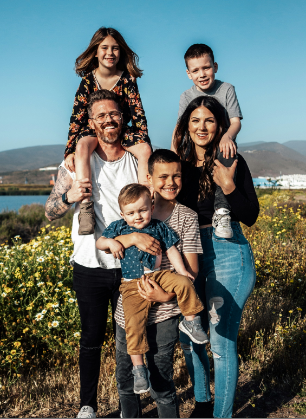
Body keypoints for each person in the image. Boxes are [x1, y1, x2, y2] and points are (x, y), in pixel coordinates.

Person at [45, 90, 168, 419]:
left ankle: (133, 406)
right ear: (91, 122)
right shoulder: (75, 164)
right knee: (90, 339)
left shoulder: (137, 162)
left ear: (123, 118)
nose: (108, 120)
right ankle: (88, 405)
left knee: (134, 336)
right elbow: (49, 211)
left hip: (132, 267)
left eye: (113, 114)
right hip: (90, 265)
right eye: (100, 115)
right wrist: (69, 196)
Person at [173, 95, 259, 418]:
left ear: (220, 125)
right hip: (188, 250)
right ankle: (202, 402)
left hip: (228, 251)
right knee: (190, 334)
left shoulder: (231, 160)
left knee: (221, 342)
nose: (202, 127)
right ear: (186, 126)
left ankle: (222, 415)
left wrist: (229, 186)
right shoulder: (178, 166)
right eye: (195, 120)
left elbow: (250, 214)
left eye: (209, 120)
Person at [111, 149, 204, 418]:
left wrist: (164, 296)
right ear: (150, 178)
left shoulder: (187, 217)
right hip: (128, 311)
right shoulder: (134, 209)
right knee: (125, 380)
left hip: (165, 312)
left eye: (177, 176)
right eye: (163, 176)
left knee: (161, 383)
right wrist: (133, 239)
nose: (170, 182)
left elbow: (191, 270)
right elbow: (108, 242)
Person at [96, 183, 207, 395]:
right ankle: (139, 369)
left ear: (151, 207)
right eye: (131, 213)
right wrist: (112, 244)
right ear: (122, 214)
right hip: (132, 284)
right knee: (133, 324)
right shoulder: (119, 228)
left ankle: (191, 322)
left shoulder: (158, 227)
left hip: (159, 275)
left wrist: (182, 271)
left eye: (142, 210)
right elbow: (100, 242)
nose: (137, 216)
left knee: (185, 283)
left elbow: (171, 250)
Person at [64, 27, 152, 236]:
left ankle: (147, 199)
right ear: (95, 52)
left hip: (122, 129)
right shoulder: (87, 81)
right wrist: (69, 151)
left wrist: (143, 141)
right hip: (92, 130)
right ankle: (86, 207)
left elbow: (138, 114)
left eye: (115, 48)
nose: (110, 53)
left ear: (121, 52)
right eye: (104, 48)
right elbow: (76, 118)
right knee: (82, 146)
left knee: (145, 150)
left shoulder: (128, 79)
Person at [171, 43, 243, 239]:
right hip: (195, 148)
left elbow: (236, 122)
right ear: (188, 74)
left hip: (221, 146)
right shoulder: (186, 96)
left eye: (206, 68)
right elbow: (179, 128)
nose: (202, 74)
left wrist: (228, 136)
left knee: (226, 157)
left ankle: (222, 213)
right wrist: (173, 154)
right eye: (195, 70)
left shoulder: (226, 89)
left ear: (215, 67)